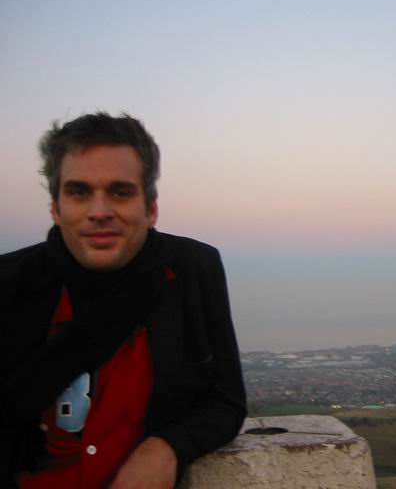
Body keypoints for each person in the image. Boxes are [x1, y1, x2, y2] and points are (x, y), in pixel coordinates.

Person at [0, 113, 247, 488]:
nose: (99, 212)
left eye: (120, 192)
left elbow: (226, 401)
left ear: (151, 208)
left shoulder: (193, 271)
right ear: (56, 208)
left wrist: (166, 448)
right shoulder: (10, 283)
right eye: (79, 192)